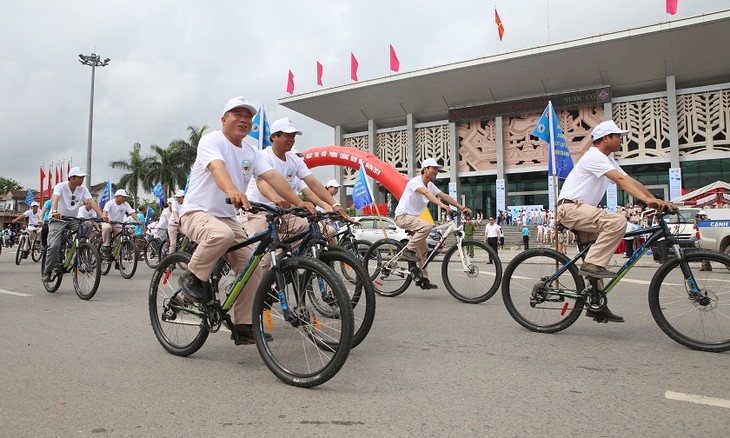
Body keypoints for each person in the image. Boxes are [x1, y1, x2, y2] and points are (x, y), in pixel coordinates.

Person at [177, 97, 316, 345]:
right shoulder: (211, 140)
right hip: (196, 212)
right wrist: (232, 190)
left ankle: (243, 326)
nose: (243, 120)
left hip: (228, 218)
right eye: (237, 114)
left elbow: (273, 177)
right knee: (221, 235)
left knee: (252, 268)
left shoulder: (251, 152)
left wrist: (298, 202)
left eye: (248, 116)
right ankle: (192, 277)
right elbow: (218, 168)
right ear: (224, 119)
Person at [556, 120, 674, 322]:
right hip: (570, 209)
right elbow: (619, 181)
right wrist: (647, 201)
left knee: (594, 263)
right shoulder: (594, 156)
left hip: (584, 211)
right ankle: (592, 266)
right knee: (617, 222)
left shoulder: (608, 160)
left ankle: (596, 304)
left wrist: (655, 200)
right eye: (618, 136)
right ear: (605, 139)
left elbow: (629, 181)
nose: (621, 140)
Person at [394, 158, 471, 290]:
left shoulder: (430, 184)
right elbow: (426, 193)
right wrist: (443, 206)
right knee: (427, 226)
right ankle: (407, 250)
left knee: (424, 252)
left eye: (438, 169)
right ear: (425, 169)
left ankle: (423, 279)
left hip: (414, 219)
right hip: (403, 216)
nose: (437, 171)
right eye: (434, 168)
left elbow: (445, 196)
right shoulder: (415, 182)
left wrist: (462, 208)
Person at [43, 167, 104, 282]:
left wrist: (102, 215)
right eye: (80, 177)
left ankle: (80, 247)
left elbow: (92, 202)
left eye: (83, 177)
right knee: (54, 245)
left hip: (73, 220)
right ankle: (48, 271)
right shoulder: (60, 186)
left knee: (88, 225)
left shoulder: (83, 189)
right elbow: (55, 198)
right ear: (72, 178)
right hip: (58, 219)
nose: (82, 180)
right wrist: (55, 211)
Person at [101, 189, 142, 256]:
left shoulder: (126, 204)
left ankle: (117, 261)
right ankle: (105, 245)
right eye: (123, 197)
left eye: (125, 197)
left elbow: (132, 212)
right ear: (118, 196)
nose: (125, 199)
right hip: (108, 222)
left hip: (118, 225)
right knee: (107, 228)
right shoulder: (110, 203)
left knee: (119, 242)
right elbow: (104, 213)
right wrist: (107, 219)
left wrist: (138, 220)